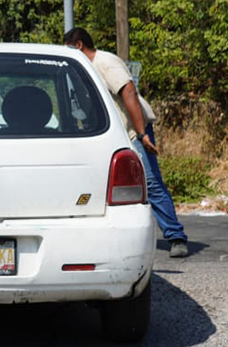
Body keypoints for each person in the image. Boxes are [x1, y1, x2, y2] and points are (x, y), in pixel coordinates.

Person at [64, 27, 189, 258]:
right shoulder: (84, 69)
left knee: (150, 182)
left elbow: (129, 93)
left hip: (133, 131)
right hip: (111, 135)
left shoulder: (105, 62)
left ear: (79, 45)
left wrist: (142, 134)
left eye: (69, 48)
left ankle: (176, 236)